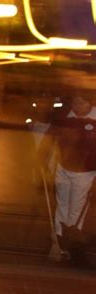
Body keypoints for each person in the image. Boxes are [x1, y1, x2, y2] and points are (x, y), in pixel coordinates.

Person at [39, 91, 96, 244]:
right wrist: (42, 158)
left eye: (81, 103)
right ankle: (58, 236)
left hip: (85, 172)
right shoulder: (64, 117)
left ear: (90, 103)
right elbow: (49, 137)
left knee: (76, 208)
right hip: (63, 168)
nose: (76, 107)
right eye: (74, 103)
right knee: (62, 203)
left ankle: (72, 237)